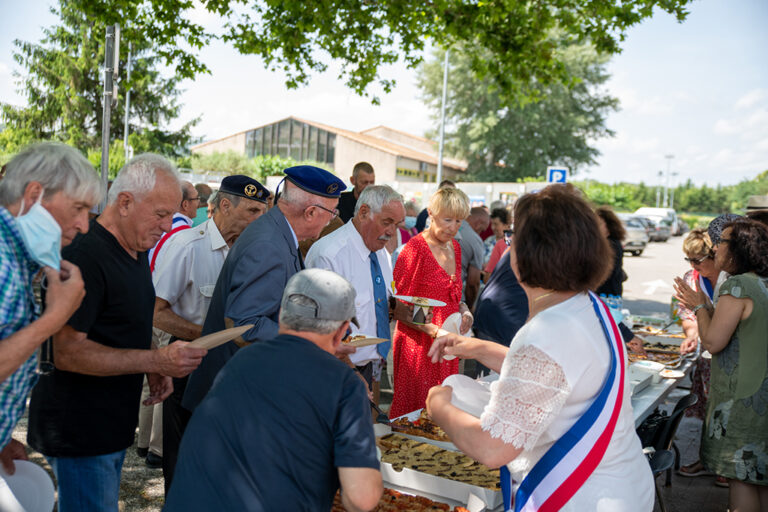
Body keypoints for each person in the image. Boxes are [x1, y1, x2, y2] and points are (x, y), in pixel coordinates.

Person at [426, 184, 654, 511]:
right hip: (621, 487)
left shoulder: (546, 332)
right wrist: (477, 348)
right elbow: (554, 375)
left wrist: (440, 407)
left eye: (513, 239)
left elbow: (492, 449)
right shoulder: (586, 307)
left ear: (531, 251)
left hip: (578, 495)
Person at [26, 154, 208, 512]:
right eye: (159, 214)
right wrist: (154, 358)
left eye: (170, 215)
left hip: (109, 425)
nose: (167, 225)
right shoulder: (85, 254)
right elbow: (66, 351)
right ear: (124, 202)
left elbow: (124, 322)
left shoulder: (136, 246)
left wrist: (152, 367)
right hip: (79, 429)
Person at [165, 269, 382, 511]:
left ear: (281, 316)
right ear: (341, 331)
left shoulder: (242, 361)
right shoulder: (345, 385)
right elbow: (361, 499)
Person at [181, 165, 346, 415]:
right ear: (311, 212)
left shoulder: (276, 233)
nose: (332, 220)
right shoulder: (269, 243)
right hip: (233, 400)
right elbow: (244, 325)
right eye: (332, 213)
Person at [151, 175, 269, 489]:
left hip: (237, 368)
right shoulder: (187, 245)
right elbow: (156, 312)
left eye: (263, 213)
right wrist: (209, 333)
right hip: (191, 363)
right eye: (252, 212)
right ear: (224, 206)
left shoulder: (253, 249)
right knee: (184, 459)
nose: (260, 220)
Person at [0, 142, 102, 475]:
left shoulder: (15, 257)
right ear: (33, 196)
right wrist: (55, 317)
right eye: (78, 208)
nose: (84, 225)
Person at [675, 218, 768, 510]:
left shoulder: (738, 286)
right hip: (760, 393)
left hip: (742, 399)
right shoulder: (761, 282)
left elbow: (714, 341)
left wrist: (699, 305)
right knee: (759, 479)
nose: (715, 248)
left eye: (721, 242)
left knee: (741, 477)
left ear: (739, 248)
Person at [306, 185, 405, 406]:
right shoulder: (330, 255)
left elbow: (383, 303)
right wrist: (350, 371)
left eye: (396, 225)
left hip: (369, 367)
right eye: (386, 222)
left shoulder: (380, 252)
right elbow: (322, 328)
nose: (391, 232)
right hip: (336, 369)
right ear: (363, 213)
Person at [388, 187, 474, 419]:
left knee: (443, 414)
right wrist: (437, 332)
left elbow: (455, 296)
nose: (453, 227)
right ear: (431, 214)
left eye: (459, 221)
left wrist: (465, 312)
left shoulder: (455, 247)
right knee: (416, 415)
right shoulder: (415, 249)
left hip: (446, 345)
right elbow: (400, 306)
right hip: (418, 347)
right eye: (448, 220)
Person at [674, 229, 722, 478]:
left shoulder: (731, 279)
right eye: (689, 260)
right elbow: (686, 315)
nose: (693, 265)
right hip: (707, 354)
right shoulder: (691, 278)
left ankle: (727, 466)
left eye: (698, 260)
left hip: (732, 353)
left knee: (730, 410)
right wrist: (692, 333)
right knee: (710, 408)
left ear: (716, 255)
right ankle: (707, 459)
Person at [148, 180, 198, 271]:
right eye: (197, 198)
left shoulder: (160, 225)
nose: (198, 203)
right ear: (185, 205)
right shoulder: (186, 234)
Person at [456, 206, 489, 308]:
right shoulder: (475, 240)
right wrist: (469, 308)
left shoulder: (448, 227)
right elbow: (473, 283)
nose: (481, 233)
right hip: (452, 297)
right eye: (482, 230)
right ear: (478, 223)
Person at [482, 208, 511, 277]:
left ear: (506, 224)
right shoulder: (489, 240)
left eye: (496, 224)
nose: (493, 227)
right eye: (492, 224)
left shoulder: (513, 242)